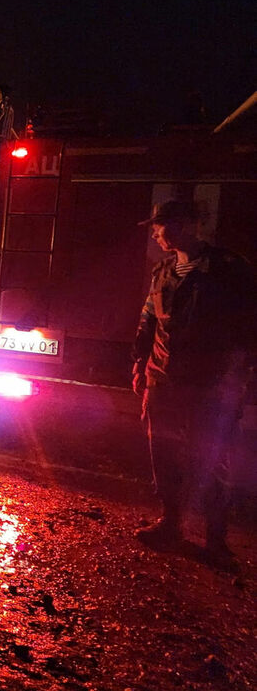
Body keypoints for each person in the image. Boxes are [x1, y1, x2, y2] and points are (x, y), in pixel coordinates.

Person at [131, 198, 257, 568]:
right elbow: (149, 320)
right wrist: (141, 364)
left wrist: (239, 376)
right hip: (164, 379)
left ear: (187, 224)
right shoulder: (163, 272)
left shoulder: (231, 270)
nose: (156, 232)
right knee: (164, 453)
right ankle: (171, 524)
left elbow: (250, 327)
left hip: (212, 384)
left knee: (212, 458)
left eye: (162, 225)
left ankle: (216, 540)